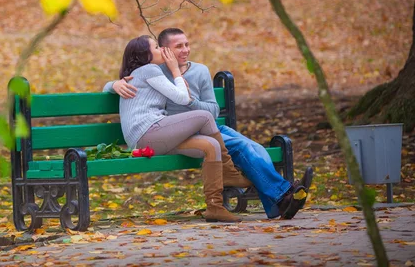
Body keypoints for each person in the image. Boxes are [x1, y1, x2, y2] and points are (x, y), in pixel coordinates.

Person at [104, 28, 313, 219]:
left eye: (187, 44)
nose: (185, 50)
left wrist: (193, 102)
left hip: (206, 128)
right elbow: (134, 81)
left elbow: (212, 110)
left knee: (254, 147)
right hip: (171, 131)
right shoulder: (157, 70)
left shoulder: (200, 71)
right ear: (165, 50)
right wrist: (114, 84)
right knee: (240, 147)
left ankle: (278, 203)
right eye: (178, 46)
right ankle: (282, 195)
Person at [116, 35, 241, 222]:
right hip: (147, 133)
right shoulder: (149, 70)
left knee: (211, 146)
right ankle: (229, 171)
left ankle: (215, 207)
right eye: (157, 47)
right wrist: (176, 71)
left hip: (153, 137)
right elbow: (183, 98)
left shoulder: (141, 73)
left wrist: (112, 84)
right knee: (204, 116)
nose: (162, 50)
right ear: (145, 55)